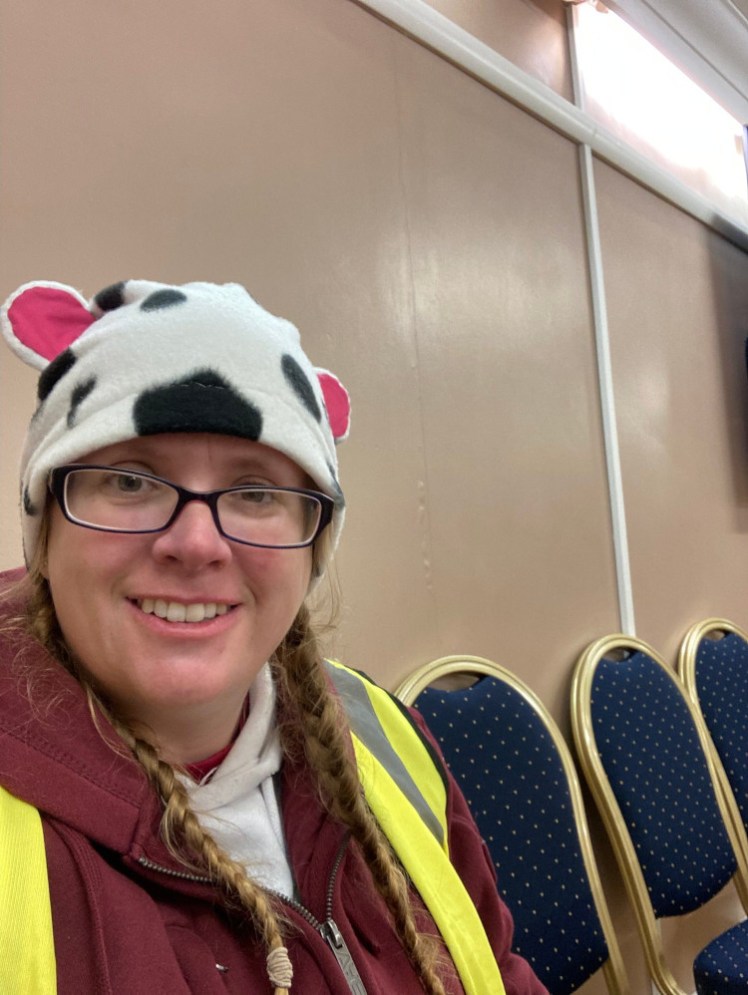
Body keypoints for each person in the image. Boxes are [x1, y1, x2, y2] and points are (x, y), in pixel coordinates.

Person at [0, 278, 547, 995]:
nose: (195, 543)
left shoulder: (381, 732)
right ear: (48, 527)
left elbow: (495, 966)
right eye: (130, 480)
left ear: (310, 543)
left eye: (256, 491)